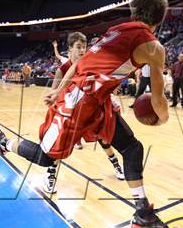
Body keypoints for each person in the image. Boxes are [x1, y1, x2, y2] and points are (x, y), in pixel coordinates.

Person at [0, 0, 181, 228]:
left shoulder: (115, 31)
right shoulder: (153, 47)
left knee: (132, 148)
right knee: (46, 157)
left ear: (135, 12)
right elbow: (159, 97)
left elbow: (79, 65)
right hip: (80, 100)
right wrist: (162, 117)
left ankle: (142, 214)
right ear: (159, 19)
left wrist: (59, 88)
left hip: (97, 100)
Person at [43, 32, 124, 194]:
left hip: (91, 111)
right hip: (70, 114)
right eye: (78, 47)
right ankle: (50, 175)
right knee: (60, 147)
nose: (82, 50)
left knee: (103, 140)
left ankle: (116, 165)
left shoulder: (91, 63)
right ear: (70, 50)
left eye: (84, 47)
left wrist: (113, 92)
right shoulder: (63, 70)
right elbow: (54, 94)